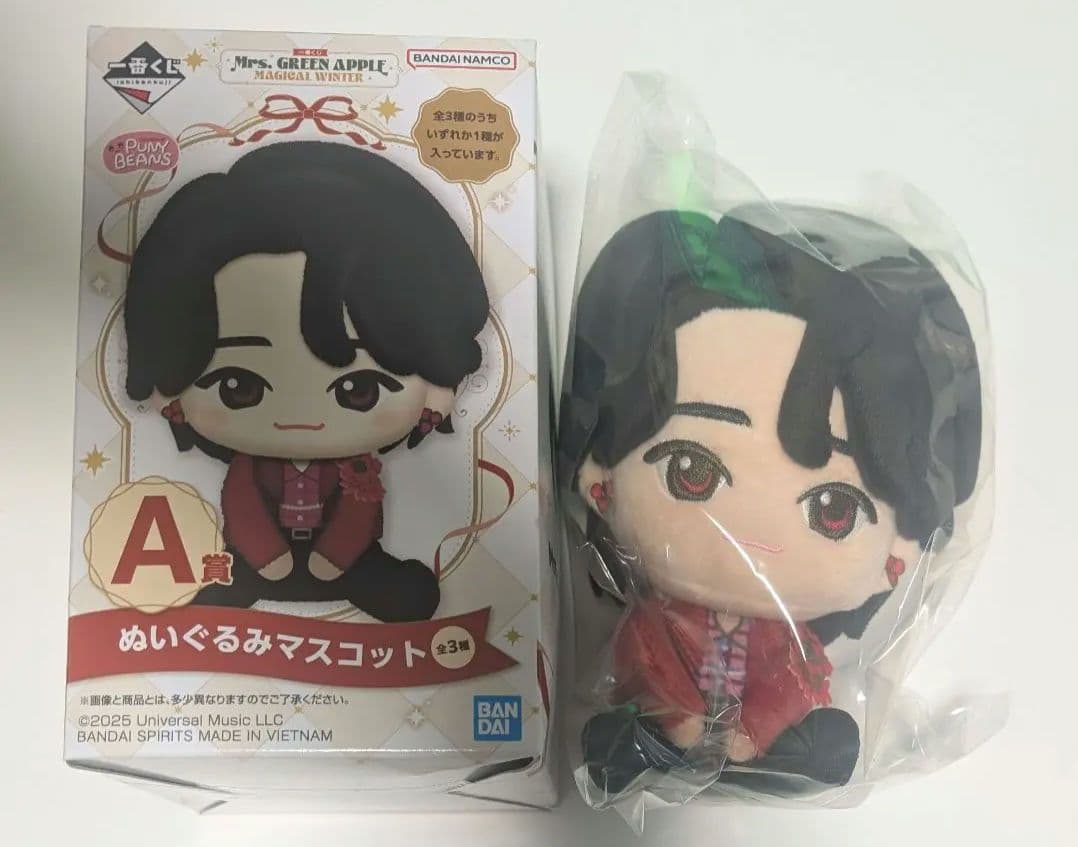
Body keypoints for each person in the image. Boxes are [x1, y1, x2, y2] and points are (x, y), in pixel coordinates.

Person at [561, 206, 982, 795]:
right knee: (631, 738)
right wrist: (681, 720)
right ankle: (661, 750)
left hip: (757, 738)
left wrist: (752, 732)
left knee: (821, 740)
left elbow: (793, 684)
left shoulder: (790, 641)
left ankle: (774, 759)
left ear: (899, 554)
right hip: (672, 726)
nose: (755, 534)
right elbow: (644, 659)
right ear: (600, 482)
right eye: (691, 472)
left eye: (833, 509)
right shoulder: (659, 621)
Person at [124, 141, 489, 621]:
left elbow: (357, 514)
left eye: (358, 390)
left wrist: (334, 559)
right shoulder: (250, 470)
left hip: (347, 560)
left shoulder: (358, 470)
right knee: (225, 583)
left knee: (390, 587)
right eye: (239, 387)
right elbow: (243, 507)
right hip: (258, 558)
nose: (300, 417)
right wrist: (267, 557)